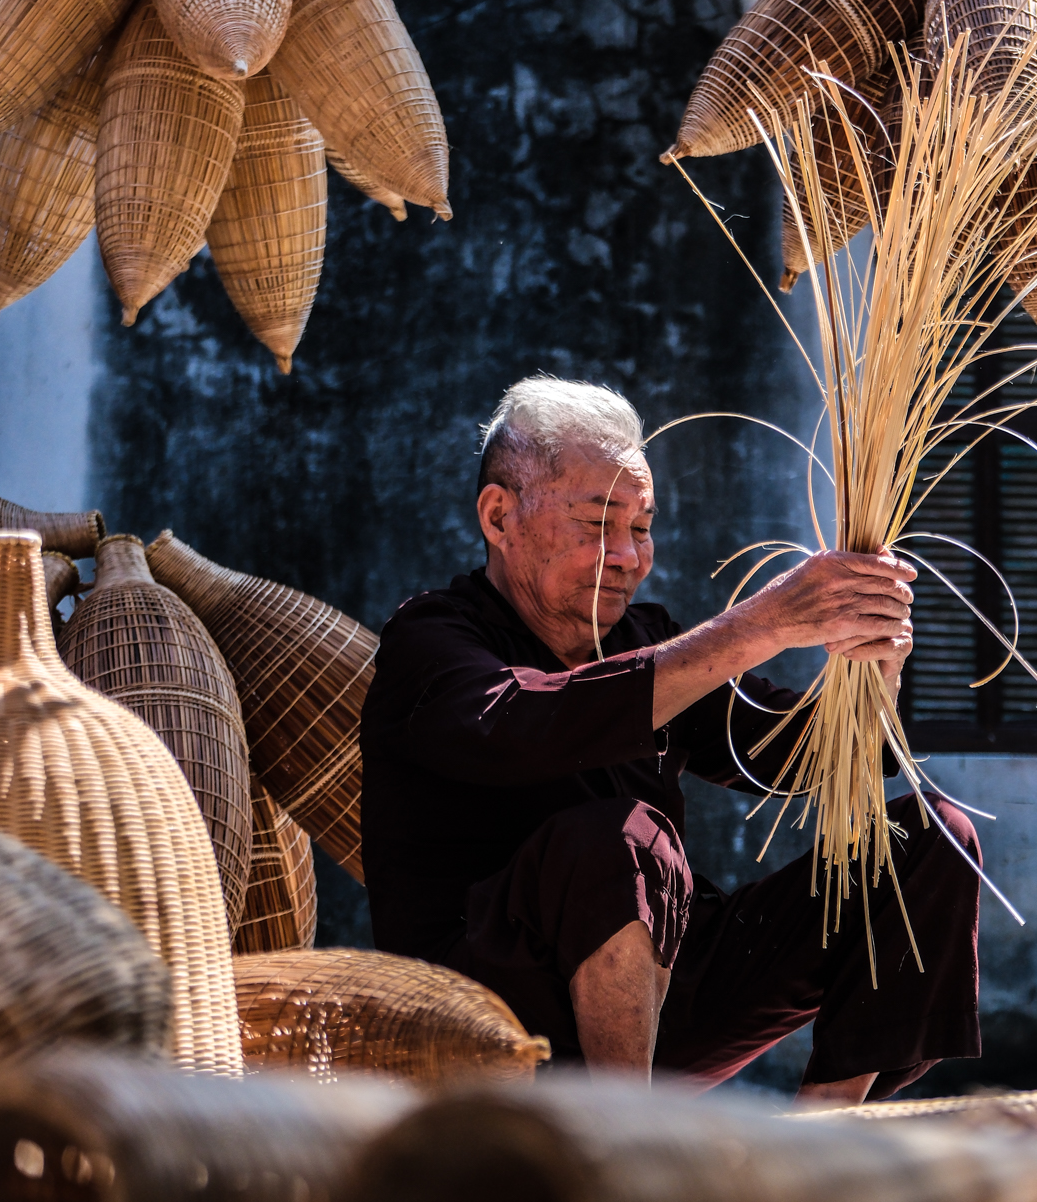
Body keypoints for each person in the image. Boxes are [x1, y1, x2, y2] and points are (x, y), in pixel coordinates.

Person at [360, 376, 983, 1103]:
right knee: (620, 838)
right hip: (485, 1005)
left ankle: (826, 1134)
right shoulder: (432, 638)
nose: (629, 554)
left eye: (643, 525)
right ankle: (635, 1139)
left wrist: (875, 663)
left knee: (933, 835)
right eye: (598, 524)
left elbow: (803, 756)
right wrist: (765, 622)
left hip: (661, 991)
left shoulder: (643, 639)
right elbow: (526, 728)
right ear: (500, 517)